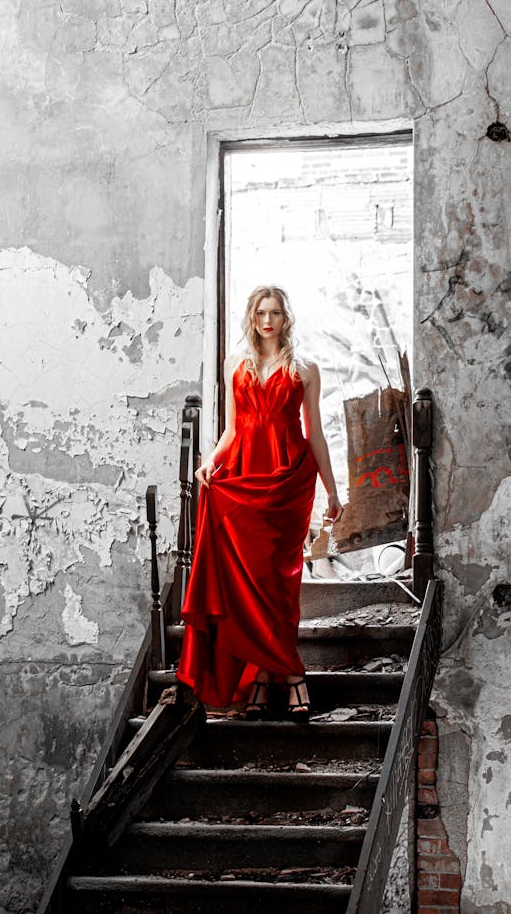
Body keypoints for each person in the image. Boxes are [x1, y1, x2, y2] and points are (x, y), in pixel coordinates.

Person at [176, 285, 343, 722]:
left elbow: (315, 433)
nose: (267, 320)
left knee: (278, 584)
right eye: (261, 313)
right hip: (245, 480)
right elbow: (232, 431)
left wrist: (332, 489)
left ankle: (283, 675)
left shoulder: (305, 369)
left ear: (285, 319)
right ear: (252, 318)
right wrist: (210, 463)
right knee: (248, 586)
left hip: (287, 484)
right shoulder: (237, 365)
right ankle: (275, 677)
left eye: (275, 313)